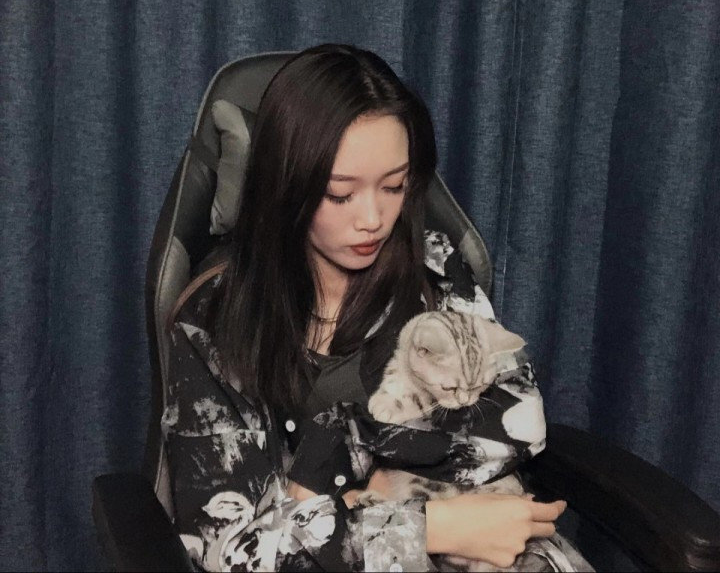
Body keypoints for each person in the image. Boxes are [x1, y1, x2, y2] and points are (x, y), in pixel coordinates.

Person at [163, 44, 591, 571]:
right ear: (286, 185)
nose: (373, 219)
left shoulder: (434, 268)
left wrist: (345, 455)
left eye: (394, 186)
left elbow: (518, 421)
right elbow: (229, 549)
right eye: (340, 195)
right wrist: (428, 527)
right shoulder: (213, 320)